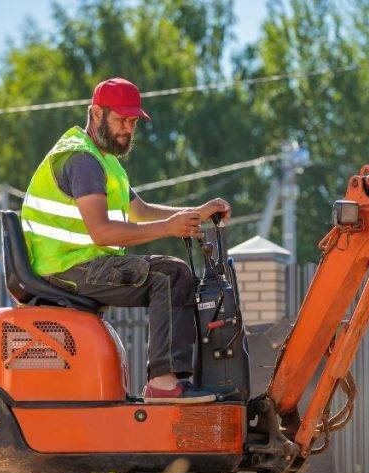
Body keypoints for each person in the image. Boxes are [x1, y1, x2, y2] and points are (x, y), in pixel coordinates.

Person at [20, 77, 230, 404]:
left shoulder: (106, 162)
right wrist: (170, 228)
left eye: (132, 122)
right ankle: (162, 383)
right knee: (169, 275)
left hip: (78, 263)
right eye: (120, 119)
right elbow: (103, 233)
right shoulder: (81, 160)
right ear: (95, 114)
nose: (127, 129)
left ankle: (168, 380)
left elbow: (140, 211)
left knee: (170, 274)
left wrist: (195, 213)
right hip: (68, 266)